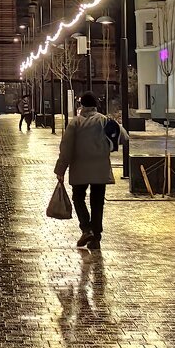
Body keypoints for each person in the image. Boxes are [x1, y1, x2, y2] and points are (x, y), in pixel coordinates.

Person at [54, 91, 128, 250]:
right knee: (97, 202)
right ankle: (96, 237)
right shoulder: (104, 120)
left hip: (79, 169)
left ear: (81, 105)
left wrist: (60, 169)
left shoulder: (75, 123)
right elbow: (124, 137)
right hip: (100, 170)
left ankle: (86, 228)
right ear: (95, 105)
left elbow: (66, 149)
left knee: (78, 198)